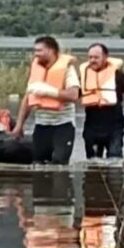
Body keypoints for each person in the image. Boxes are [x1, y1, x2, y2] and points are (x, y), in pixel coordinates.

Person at [13, 36, 80, 165]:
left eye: (39, 51)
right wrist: (19, 125)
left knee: (59, 162)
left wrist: (49, 91)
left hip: (63, 125)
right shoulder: (36, 69)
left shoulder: (67, 69)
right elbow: (27, 100)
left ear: (51, 50)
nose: (36, 54)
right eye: (35, 51)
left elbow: (74, 95)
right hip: (41, 125)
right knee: (38, 163)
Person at [79, 43, 124, 159]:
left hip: (114, 126)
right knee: (93, 163)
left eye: (96, 57)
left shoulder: (117, 75)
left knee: (115, 159)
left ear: (105, 57)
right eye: (90, 57)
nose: (92, 60)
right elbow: (73, 96)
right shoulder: (84, 76)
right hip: (91, 126)